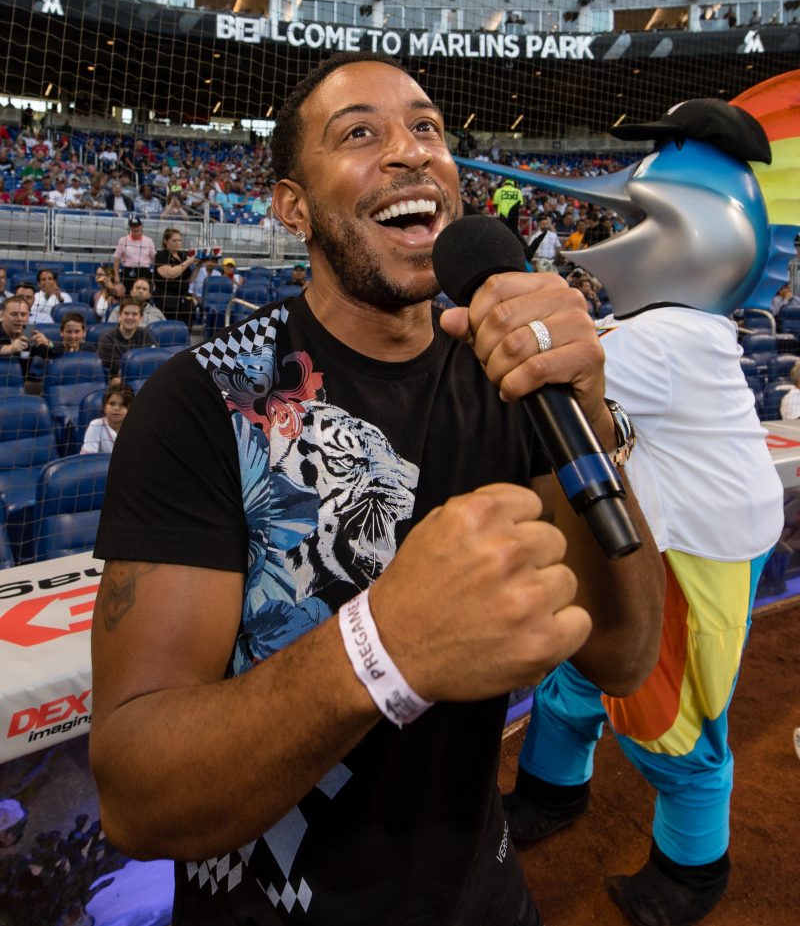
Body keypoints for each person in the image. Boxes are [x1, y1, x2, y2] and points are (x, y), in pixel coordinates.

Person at [90, 53, 663, 926]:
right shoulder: (207, 398)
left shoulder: (509, 379)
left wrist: (581, 407)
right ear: (293, 207)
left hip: (485, 897)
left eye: (427, 127)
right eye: (360, 132)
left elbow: (622, 654)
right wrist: (382, 645)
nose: (411, 152)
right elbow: (137, 794)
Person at [503, 97, 787, 926]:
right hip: (648, 533)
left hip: (697, 544)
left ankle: (693, 870)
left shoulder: (666, 337)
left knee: (676, 718)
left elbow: (549, 372)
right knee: (578, 673)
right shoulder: (671, 321)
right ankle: (555, 791)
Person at [96, 298, 155, 377]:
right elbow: (118, 370)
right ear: (119, 316)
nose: (130, 317)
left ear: (140, 318)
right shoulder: (108, 339)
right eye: (126, 313)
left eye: (134, 314)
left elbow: (154, 359)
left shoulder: (146, 334)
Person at [0, 294, 53, 380]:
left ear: (28, 317)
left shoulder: (28, 333)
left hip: (20, 386)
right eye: (14, 314)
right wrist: (8, 348)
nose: (19, 319)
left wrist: (49, 344)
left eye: (23, 314)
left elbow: (57, 351)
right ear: (2, 315)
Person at [153, 228, 199, 326]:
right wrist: (188, 262)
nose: (177, 243)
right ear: (166, 241)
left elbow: (190, 278)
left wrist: (199, 265)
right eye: (174, 240)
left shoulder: (182, 255)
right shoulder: (161, 255)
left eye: (179, 240)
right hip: (167, 301)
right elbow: (169, 274)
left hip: (184, 301)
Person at [81, 385, 134, 454]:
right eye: (112, 404)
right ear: (104, 406)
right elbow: (88, 458)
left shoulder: (136, 427)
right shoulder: (96, 425)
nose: (116, 408)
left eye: (123, 405)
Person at [113, 216, 156, 294]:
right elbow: (117, 257)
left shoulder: (149, 241)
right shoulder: (123, 240)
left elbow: (154, 258)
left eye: (137, 226)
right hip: (128, 271)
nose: (135, 228)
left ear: (141, 226)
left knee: (144, 295)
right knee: (128, 295)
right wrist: (116, 275)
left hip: (144, 272)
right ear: (130, 227)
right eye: (133, 226)